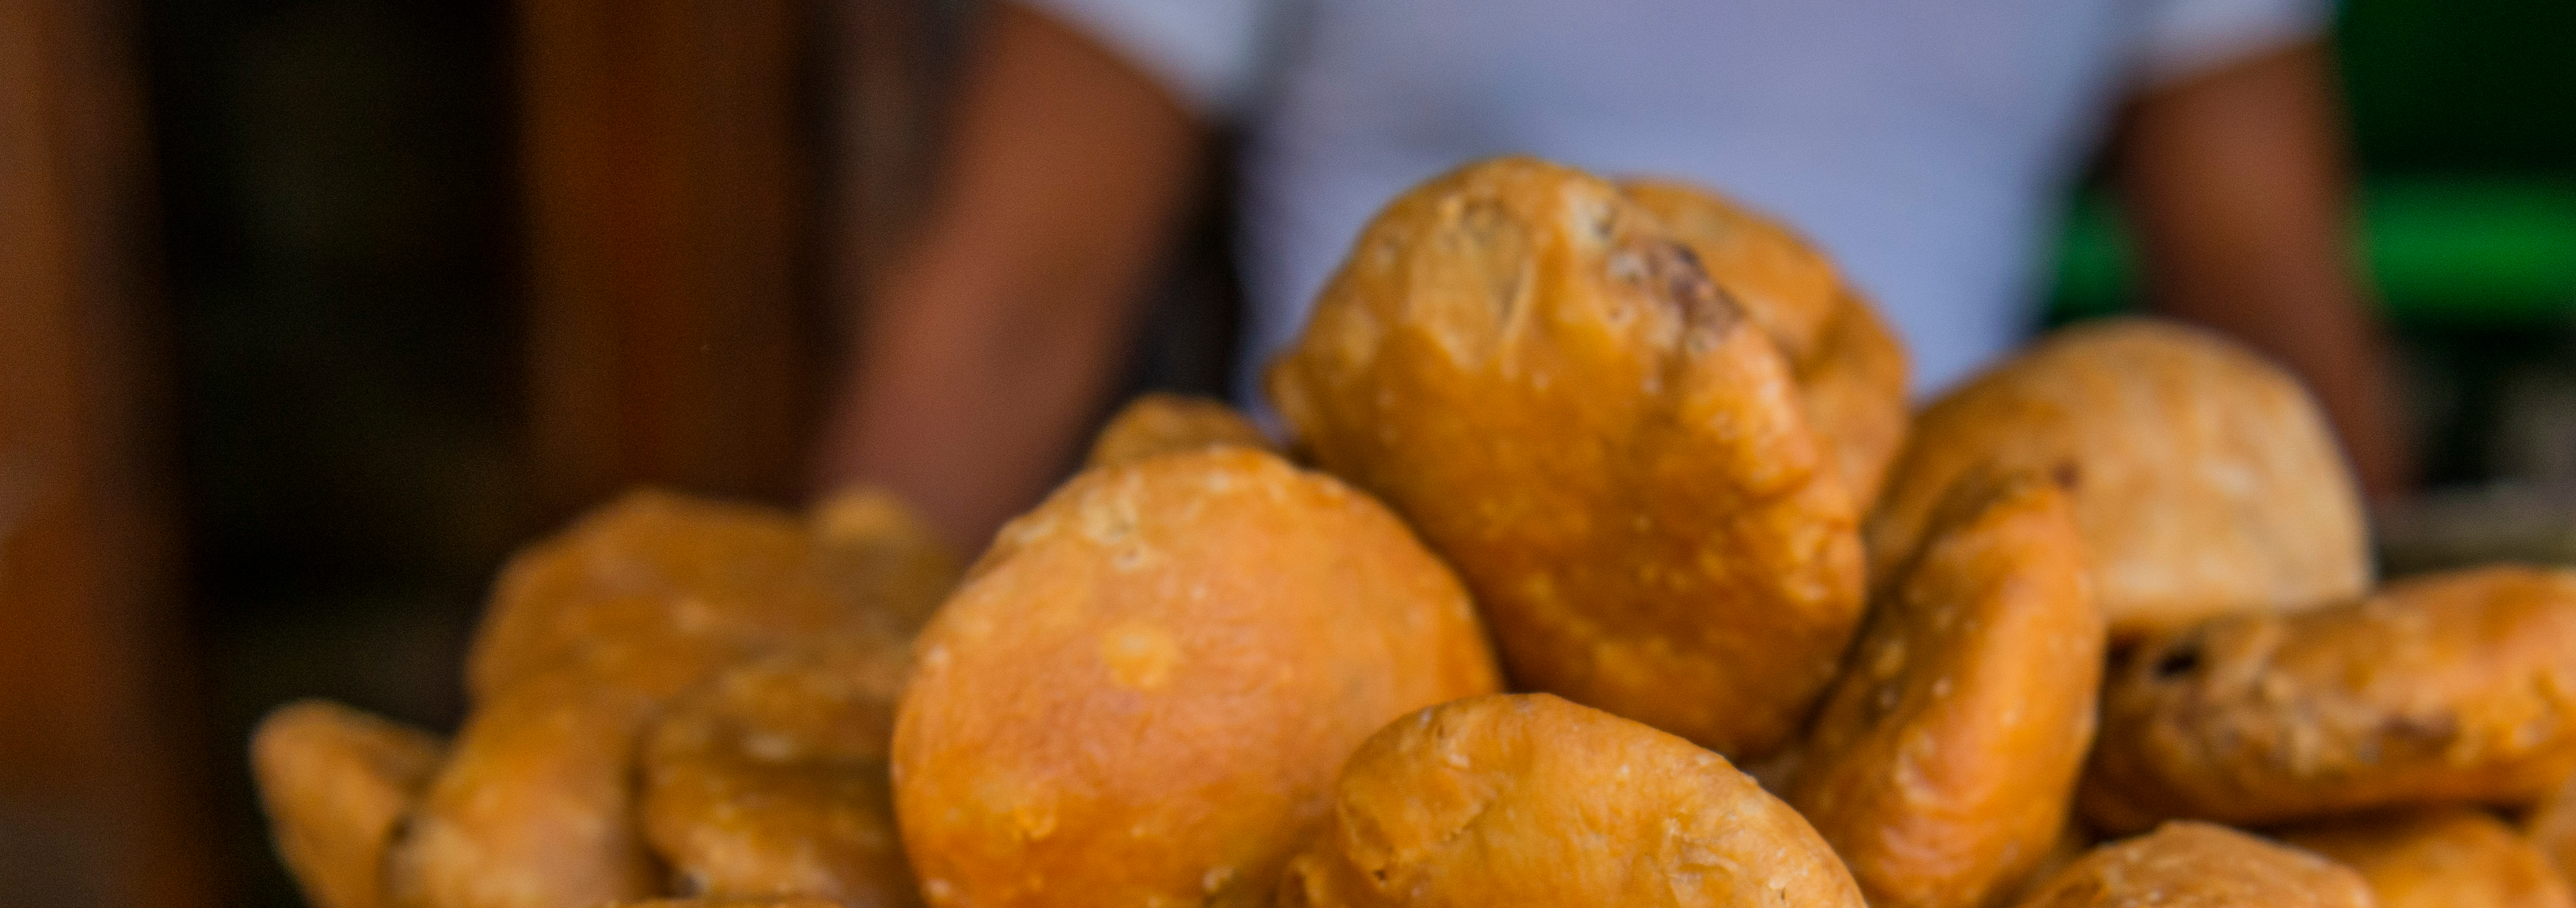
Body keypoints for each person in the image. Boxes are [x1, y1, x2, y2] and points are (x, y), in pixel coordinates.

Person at [817, 0, 2409, 551]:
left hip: (1928, 631)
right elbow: (1007, 298)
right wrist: (807, 660)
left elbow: (2271, 290)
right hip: (1356, 665)